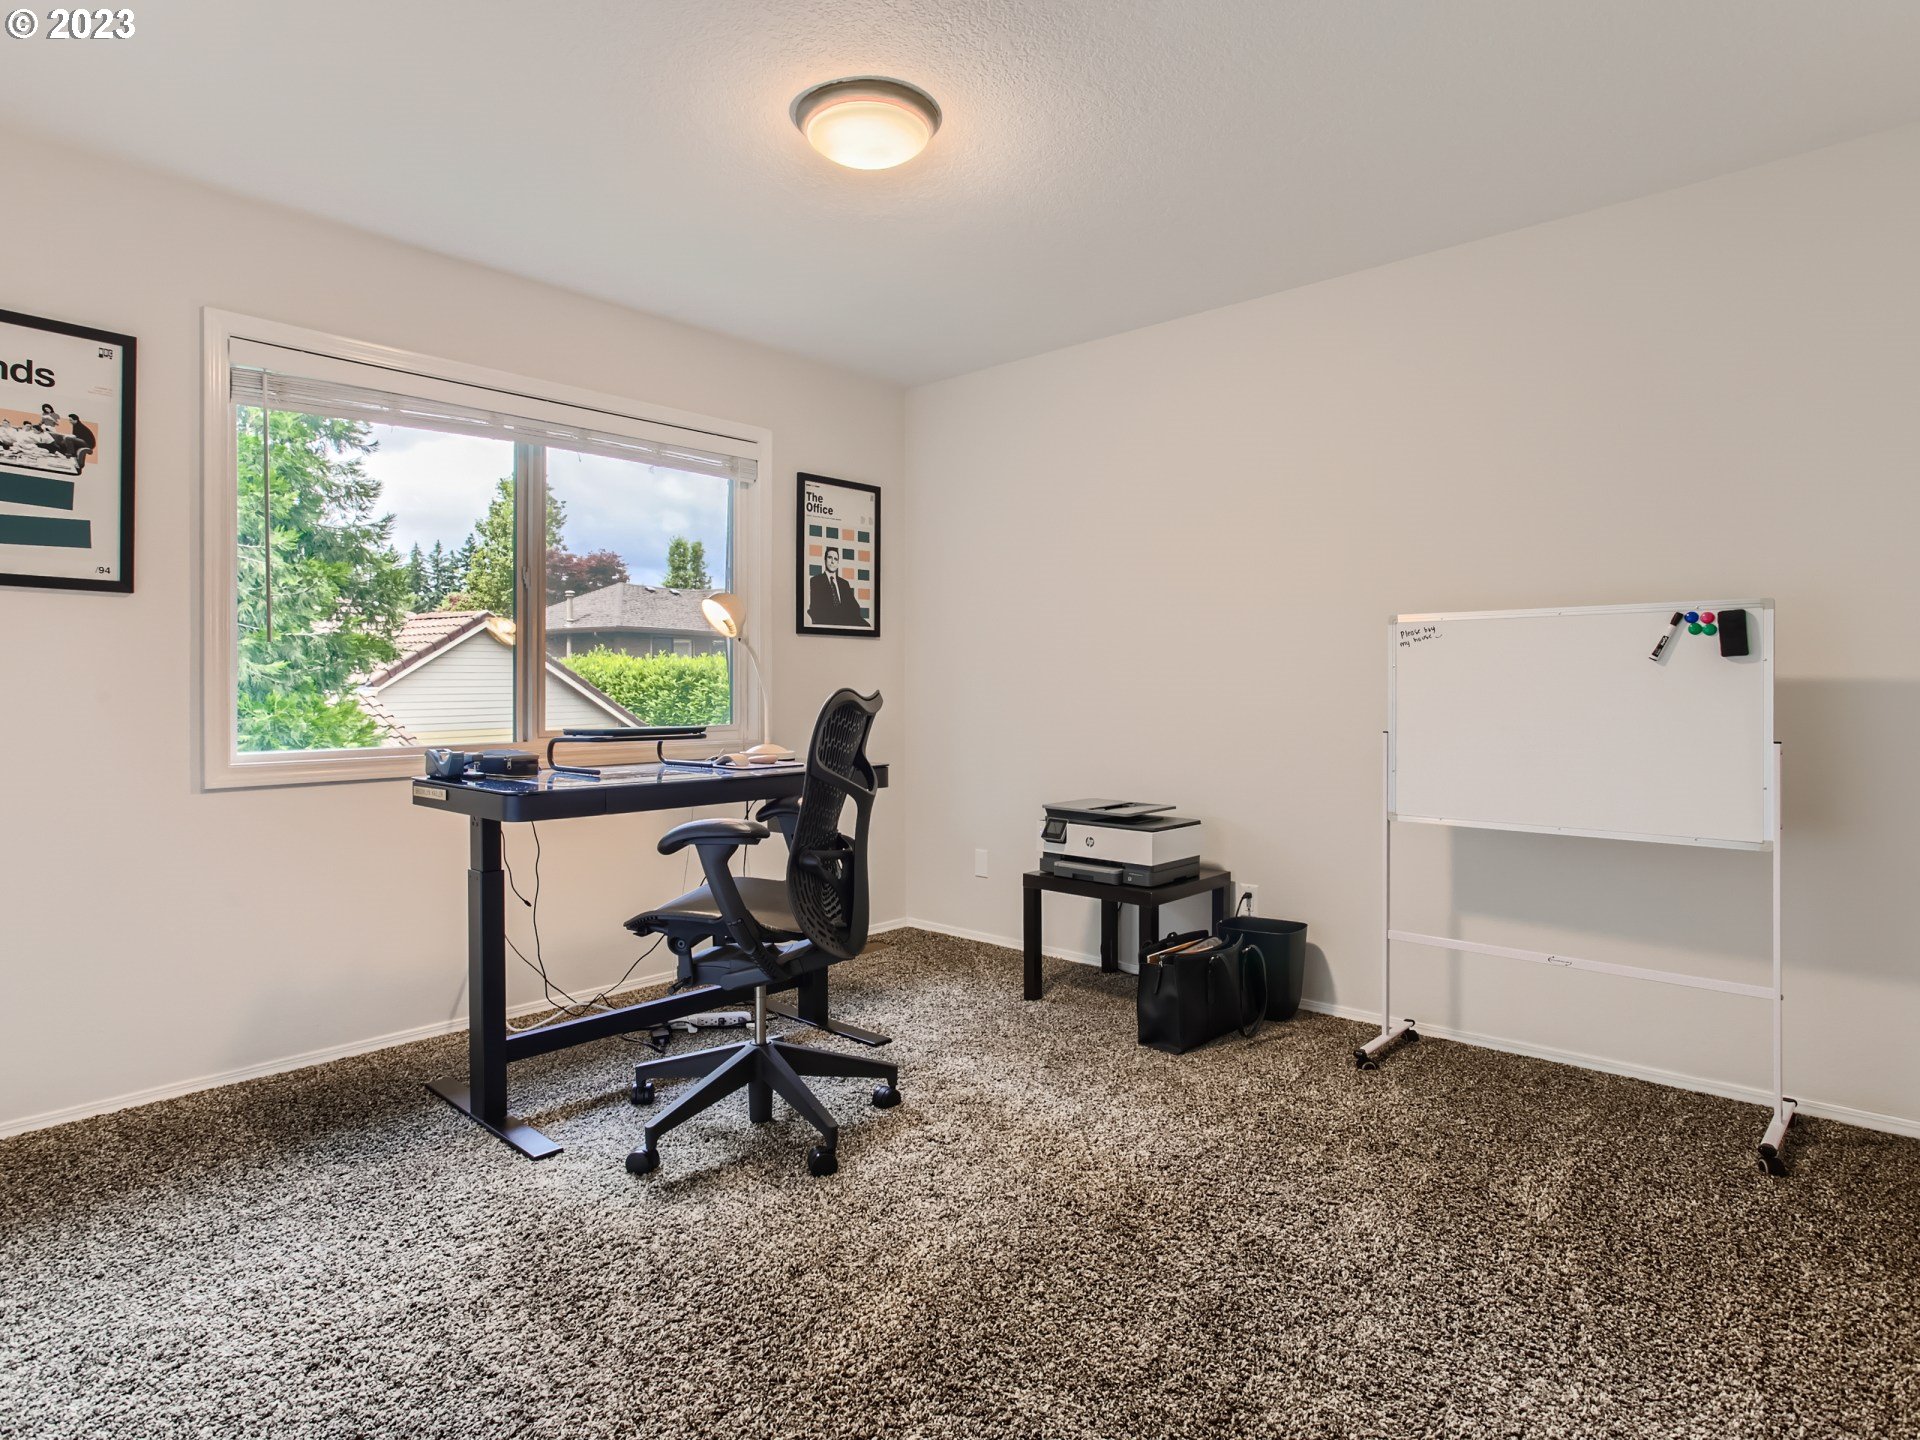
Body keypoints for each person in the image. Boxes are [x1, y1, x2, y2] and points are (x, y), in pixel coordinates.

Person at [807, 546, 868, 628]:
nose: (832, 561)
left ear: (838, 563)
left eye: (835, 559)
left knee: (867, 626)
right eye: (830, 558)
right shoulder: (816, 581)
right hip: (829, 623)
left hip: (846, 623)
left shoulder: (844, 583)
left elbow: (855, 608)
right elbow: (816, 608)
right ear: (825, 560)